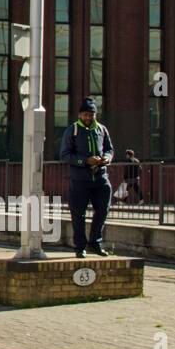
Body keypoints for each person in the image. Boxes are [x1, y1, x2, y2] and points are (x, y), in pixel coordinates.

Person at [57, 97, 115, 258]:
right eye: (85, 114)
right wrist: (85, 161)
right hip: (79, 180)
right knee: (78, 214)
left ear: (95, 115)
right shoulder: (72, 130)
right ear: (79, 115)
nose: (88, 117)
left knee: (103, 210)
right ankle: (80, 247)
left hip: (100, 178)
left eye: (91, 114)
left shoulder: (102, 129)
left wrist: (106, 158)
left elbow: (109, 149)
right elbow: (64, 155)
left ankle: (95, 243)